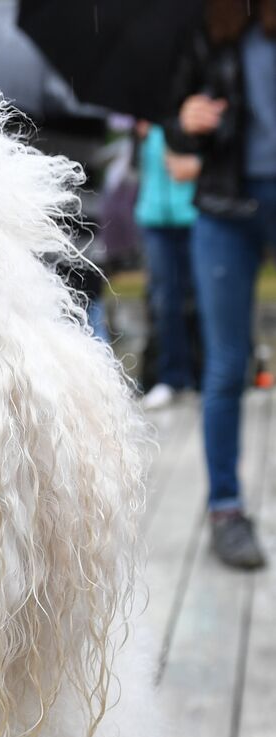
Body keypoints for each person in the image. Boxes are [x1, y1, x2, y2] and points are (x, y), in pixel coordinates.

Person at [166, 0, 273, 569]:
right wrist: (184, 120)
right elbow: (173, 135)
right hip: (226, 209)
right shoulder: (208, 26)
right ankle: (227, 510)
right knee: (227, 365)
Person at [135, 123, 200, 410]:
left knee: (203, 299)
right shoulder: (145, 119)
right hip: (155, 219)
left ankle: (206, 377)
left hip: (196, 214)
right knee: (164, 302)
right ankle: (171, 377)